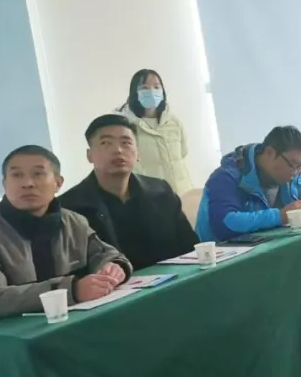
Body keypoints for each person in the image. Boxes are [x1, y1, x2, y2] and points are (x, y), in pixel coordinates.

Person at [0, 146, 131, 325]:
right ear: (5, 184)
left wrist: (114, 267)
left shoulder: (74, 221)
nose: (28, 183)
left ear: (58, 183)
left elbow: (106, 254)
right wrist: (71, 290)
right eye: (17, 175)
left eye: (38, 174)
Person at [61, 114, 198, 270]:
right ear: (89, 155)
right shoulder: (69, 207)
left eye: (126, 143)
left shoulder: (161, 191)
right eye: (106, 143)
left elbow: (190, 248)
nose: (118, 150)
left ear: (137, 153)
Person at [196, 126, 301, 242]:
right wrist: (279, 216)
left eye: (300, 167)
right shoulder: (227, 177)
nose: (296, 172)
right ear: (269, 153)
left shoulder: (291, 176)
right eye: (292, 165)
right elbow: (226, 223)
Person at [118, 69, 193, 196]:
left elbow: (183, 152)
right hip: (150, 198)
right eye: (145, 88)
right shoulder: (125, 126)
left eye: (156, 87)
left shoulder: (173, 122)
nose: (152, 92)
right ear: (134, 92)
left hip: (182, 194)